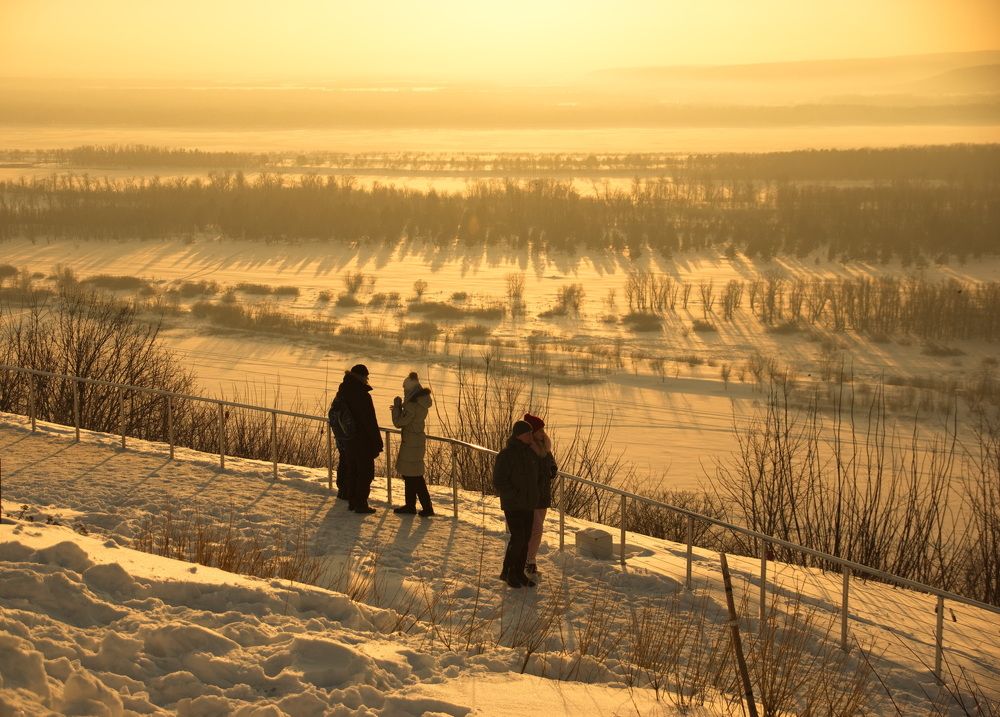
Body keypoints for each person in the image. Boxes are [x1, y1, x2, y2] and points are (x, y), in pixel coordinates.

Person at [492, 420, 541, 588]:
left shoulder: (529, 453)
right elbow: (499, 481)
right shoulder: (506, 455)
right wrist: (516, 495)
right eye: (527, 434)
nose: (530, 436)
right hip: (513, 504)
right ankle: (509, 572)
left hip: (527, 504)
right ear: (519, 435)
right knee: (518, 537)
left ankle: (517, 572)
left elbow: (535, 476)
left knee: (525, 538)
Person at [333, 364, 383, 514]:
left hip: (347, 439)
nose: (367, 380)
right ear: (361, 377)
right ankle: (361, 504)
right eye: (366, 377)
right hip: (362, 440)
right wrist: (377, 442)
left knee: (352, 470)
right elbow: (369, 421)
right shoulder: (361, 394)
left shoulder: (342, 391)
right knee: (365, 473)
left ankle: (352, 501)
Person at [391, 371, 434, 517]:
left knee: (414, 477)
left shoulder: (412, 404)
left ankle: (425, 507)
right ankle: (411, 505)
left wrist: (397, 408)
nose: (404, 392)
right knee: (411, 475)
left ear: (410, 390)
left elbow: (399, 422)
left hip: (410, 442)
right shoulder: (421, 401)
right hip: (417, 440)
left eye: (405, 389)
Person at [523, 412, 557, 577]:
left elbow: (551, 463)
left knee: (535, 530)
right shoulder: (527, 448)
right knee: (536, 529)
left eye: (543, 429)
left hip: (543, 494)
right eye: (540, 430)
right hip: (531, 495)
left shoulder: (545, 446)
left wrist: (552, 468)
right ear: (532, 432)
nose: (543, 432)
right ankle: (529, 561)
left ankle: (530, 560)